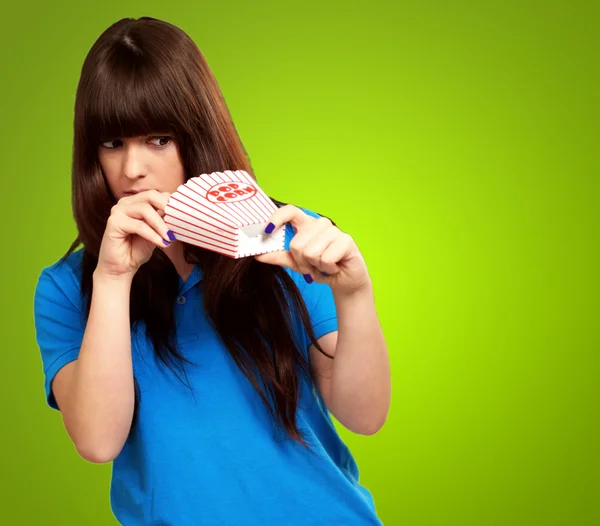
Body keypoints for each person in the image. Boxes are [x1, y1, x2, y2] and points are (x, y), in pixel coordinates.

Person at [32, 16, 391, 526]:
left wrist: (355, 296)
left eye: (158, 139)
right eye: (112, 143)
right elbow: (97, 440)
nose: (132, 168)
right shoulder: (69, 288)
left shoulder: (285, 237)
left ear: (196, 135)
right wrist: (112, 280)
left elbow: (364, 415)